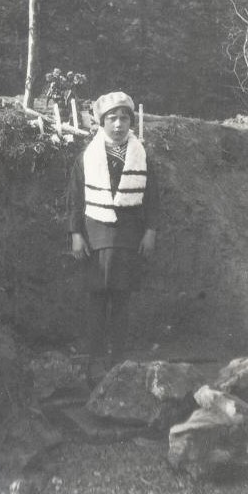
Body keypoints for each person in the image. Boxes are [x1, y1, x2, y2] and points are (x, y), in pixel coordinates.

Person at [66, 91, 159, 386]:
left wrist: (150, 231)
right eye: (112, 118)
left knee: (121, 299)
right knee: (96, 298)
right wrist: (76, 234)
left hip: (129, 237)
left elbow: (152, 198)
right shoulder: (87, 157)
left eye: (124, 118)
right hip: (95, 236)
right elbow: (75, 199)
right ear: (101, 122)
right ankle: (93, 360)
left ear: (131, 121)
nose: (118, 124)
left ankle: (118, 361)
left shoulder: (141, 156)